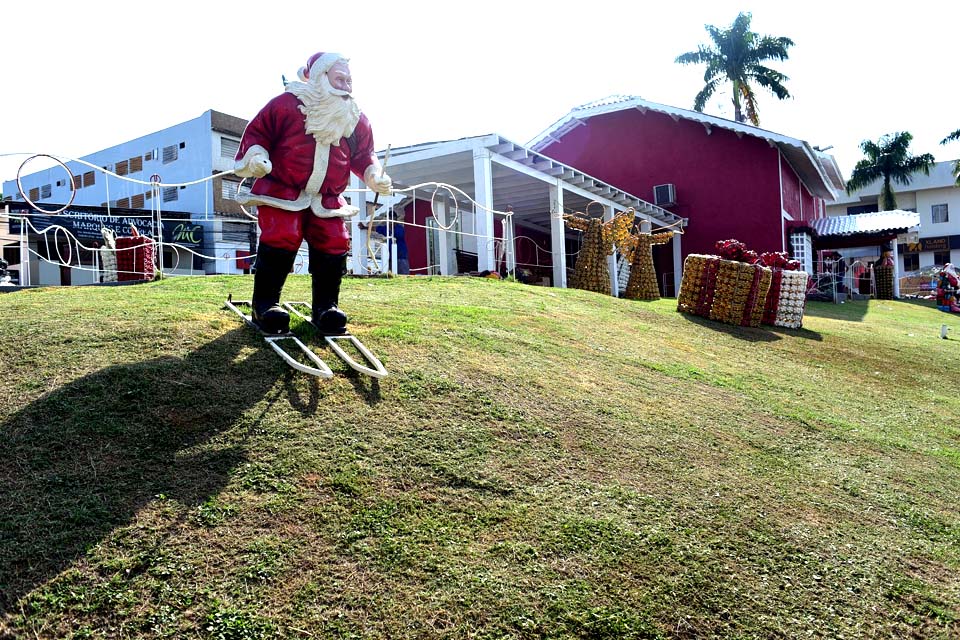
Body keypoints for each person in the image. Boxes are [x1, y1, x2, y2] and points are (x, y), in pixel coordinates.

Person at [234, 52, 392, 335]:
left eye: (348, 80)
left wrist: (374, 175)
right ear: (318, 77)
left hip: (327, 198)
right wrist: (256, 157)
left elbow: (364, 155)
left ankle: (326, 307)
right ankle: (265, 306)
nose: (346, 86)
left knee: (334, 240)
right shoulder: (285, 105)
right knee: (282, 235)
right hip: (282, 191)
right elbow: (258, 134)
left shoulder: (355, 119)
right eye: (339, 79)